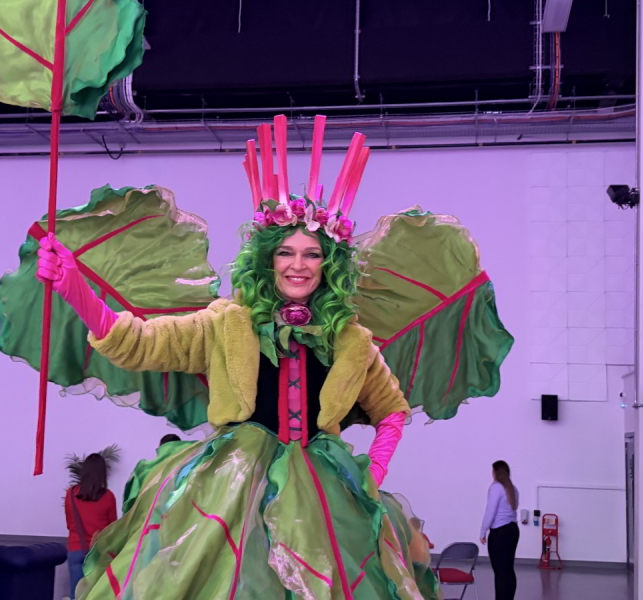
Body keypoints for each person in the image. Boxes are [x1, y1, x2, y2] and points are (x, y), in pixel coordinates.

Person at [37, 124, 419, 598]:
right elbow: (141, 342)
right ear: (268, 260)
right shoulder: (226, 322)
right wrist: (75, 289)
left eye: (312, 254)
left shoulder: (351, 340)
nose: (298, 264)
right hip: (233, 483)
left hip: (324, 491)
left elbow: (392, 410)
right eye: (285, 252)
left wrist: (372, 473)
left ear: (329, 265)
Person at [64, 453, 117, 599]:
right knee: (97, 595)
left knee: (76, 595)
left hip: (76, 549)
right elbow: (112, 529)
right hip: (98, 552)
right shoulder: (108, 497)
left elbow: (69, 523)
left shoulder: (71, 494)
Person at [479, 460, 520, 600]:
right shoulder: (513, 489)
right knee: (508, 569)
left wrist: (483, 531)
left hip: (499, 533)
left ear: (496, 472)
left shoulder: (496, 487)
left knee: (500, 572)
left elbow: (490, 512)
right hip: (512, 530)